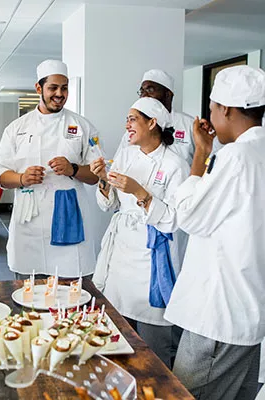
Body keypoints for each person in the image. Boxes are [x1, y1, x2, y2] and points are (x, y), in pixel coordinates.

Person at [164, 65, 265, 399]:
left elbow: (190, 216)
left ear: (225, 109)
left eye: (211, 109)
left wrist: (201, 154)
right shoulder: (258, 152)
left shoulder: (236, 157)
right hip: (249, 311)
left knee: (188, 394)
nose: (210, 116)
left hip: (219, 314)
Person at [91, 97, 189, 367]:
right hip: (121, 252)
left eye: (133, 119)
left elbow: (173, 220)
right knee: (116, 331)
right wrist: (102, 180)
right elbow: (108, 204)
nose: (127, 125)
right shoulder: (125, 155)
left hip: (151, 256)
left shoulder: (175, 166)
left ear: (152, 122)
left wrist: (140, 193)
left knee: (152, 343)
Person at [0, 59, 99, 279]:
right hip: (29, 221)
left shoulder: (82, 126)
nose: (59, 93)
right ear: (38, 88)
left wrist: (73, 169)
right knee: (28, 292)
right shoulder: (17, 128)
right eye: (53, 88)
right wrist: (21, 178)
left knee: (71, 291)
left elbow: (97, 175)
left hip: (68, 215)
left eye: (64, 88)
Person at [117, 69, 195, 165]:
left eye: (150, 90)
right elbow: (119, 161)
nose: (144, 95)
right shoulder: (134, 129)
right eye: (142, 91)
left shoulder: (190, 125)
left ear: (168, 94)